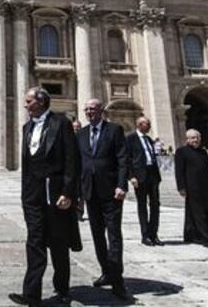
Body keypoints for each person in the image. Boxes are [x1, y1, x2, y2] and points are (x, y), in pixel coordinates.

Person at [9, 87, 79, 307]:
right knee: (34, 241)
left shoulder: (61, 123)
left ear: (41, 102)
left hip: (55, 193)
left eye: (28, 101)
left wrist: (68, 192)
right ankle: (31, 294)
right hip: (32, 195)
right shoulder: (27, 126)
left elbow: (72, 160)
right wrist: (24, 195)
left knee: (58, 244)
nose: (25, 105)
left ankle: (62, 289)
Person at [77, 98, 129, 299]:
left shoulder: (114, 130)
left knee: (114, 235)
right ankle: (106, 271)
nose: (89, 112)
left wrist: (121, 185)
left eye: (93, 109)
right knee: (97, 235)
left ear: (101, 110)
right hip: (90, 192)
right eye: (87, 109)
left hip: (111, 192)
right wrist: (77, 192)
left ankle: (117, 280)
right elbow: (78, 163)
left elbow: (122, 159)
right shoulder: (81, 134)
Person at [174, 129, 208, 249]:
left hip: (207, 186)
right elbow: (179, 171)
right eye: (193, 138)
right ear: (187, 139)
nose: (195, 140)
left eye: (197, 137)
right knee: (198, 213)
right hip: (192, 187)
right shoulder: (181, 151)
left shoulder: (203, 152)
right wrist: (181, 187)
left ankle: (195, 235)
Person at [127, 116, 161, 246]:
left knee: (155, 205)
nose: (150, 126)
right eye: (148, 124)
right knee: (142, 206)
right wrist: (131, 176)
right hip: (140, 176)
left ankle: (154, 234)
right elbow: (127, 159)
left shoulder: (149, 139)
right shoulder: (130, 139)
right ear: (139, 125)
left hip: (153, 175)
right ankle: (145, 235)